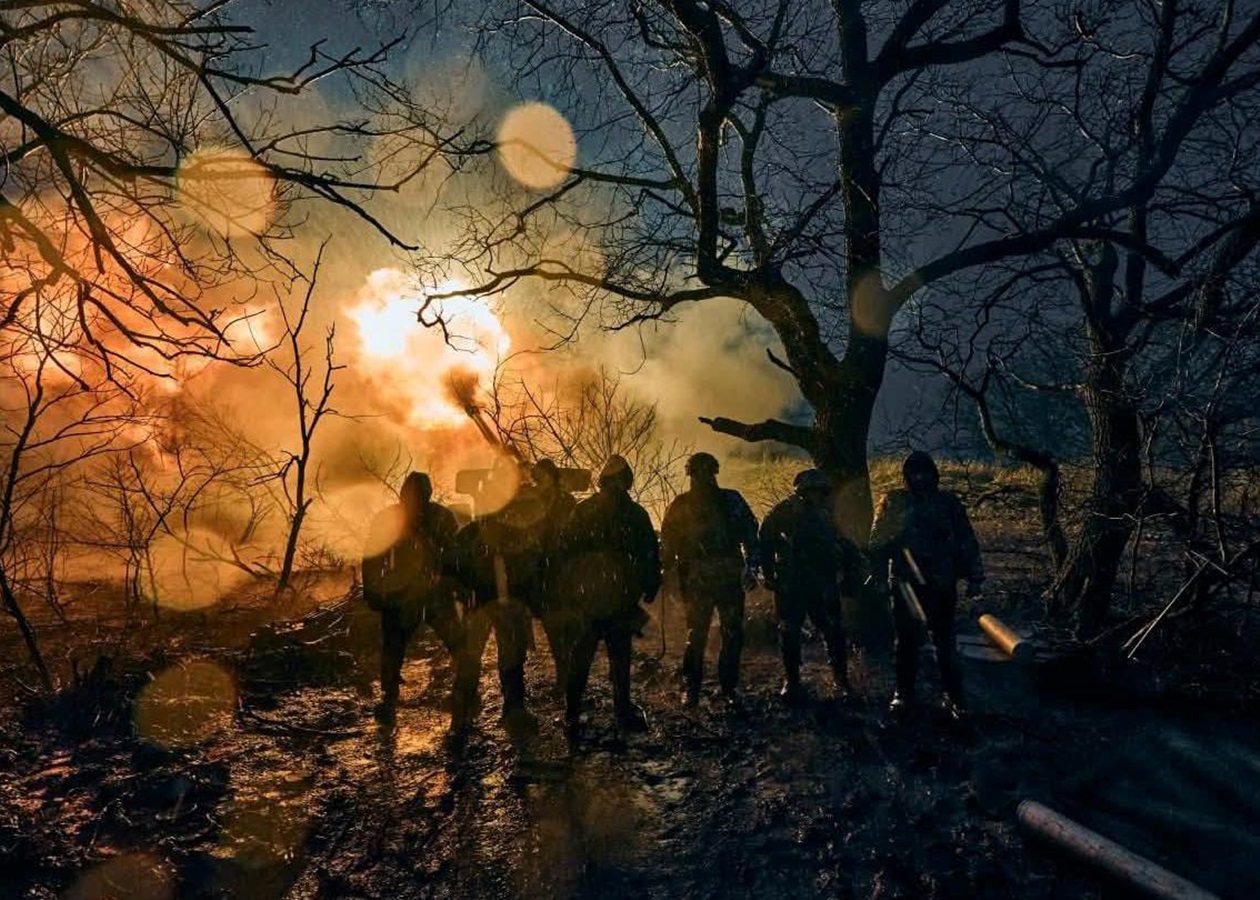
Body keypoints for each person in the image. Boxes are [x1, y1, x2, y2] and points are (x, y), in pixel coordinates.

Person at [869, 451, 984, 719]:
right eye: (914, 473)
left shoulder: (948, 503)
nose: (920, 478)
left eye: (924, 473)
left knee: (945, 641)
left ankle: (954, 697)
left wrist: (975, 577)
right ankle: (903, 694)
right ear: (907, 476)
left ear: (934, 475)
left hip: (941, 583)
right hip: (905, 583)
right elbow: (877, 542)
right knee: (905, 642)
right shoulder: (893, 501)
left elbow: (966, 539)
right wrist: (878, 577)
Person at [557, 455, 661, 741]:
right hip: (615, 598)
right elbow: (649, 554)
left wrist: (569, 591)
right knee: (616, 657)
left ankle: (574, 713)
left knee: (587, 657)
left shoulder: (585, 510)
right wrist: (650, 584)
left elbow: (564, 552)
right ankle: (617, 711)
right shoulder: (634, 513)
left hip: (596, 598)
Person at [361, 472, 475, 729]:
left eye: (418, 493)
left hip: (430, 594)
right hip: (402, 594)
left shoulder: (439, 517)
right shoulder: (394, 518)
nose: (414, 498)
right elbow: (372, 556)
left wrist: (459, 586)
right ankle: (389, 697)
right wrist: (373, 591)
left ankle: (465, 693)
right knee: (394, 647)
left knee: (456, 644)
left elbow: (455, 556)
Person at [447, 461, 542, 730]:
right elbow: (530, 566)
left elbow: (453, 567)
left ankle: (465, 714)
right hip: (497, 601)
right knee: (505, 659)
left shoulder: (472, 534)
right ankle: (510, 710)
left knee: (477, 658)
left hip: (488, 601)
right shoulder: (513, 532)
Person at [661, 452, 759, 708]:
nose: (704, 477)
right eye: (699, 472)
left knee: (732, 633)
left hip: (727, 576)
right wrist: (665, 574)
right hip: (697, 579)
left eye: (708, 472)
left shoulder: (731, 500)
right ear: (692, 475)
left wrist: (752, 567)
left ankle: (728, 687)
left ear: (714, 473)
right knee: (697, 635)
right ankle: (691, 687)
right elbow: (668, 543)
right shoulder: (682, 505)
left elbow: (750, 533)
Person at [760, 469, 856, 706]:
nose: (816, 495)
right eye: (812, 491)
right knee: (790, 632)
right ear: (802, 491)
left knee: (833, 631)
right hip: (792, 582)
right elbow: (765, 541)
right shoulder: (784, 511)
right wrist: (769, 574)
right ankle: (792, 681)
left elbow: (845, 544)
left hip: (823, 581)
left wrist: (850, 574)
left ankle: (841, 679)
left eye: (820, 491)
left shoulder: (829, 513)